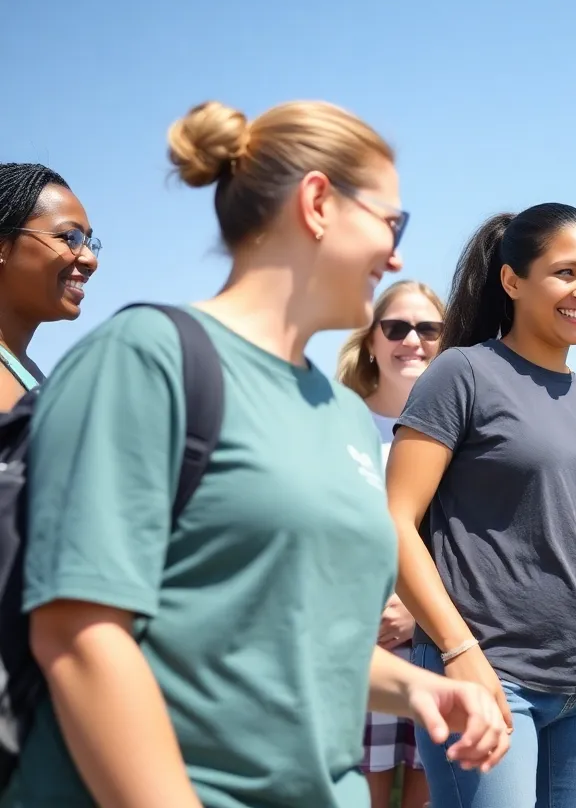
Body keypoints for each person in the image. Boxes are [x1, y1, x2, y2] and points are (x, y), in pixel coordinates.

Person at [7, 100, 506, 808]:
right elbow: (80, 635)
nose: (396, 255)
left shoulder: (337, 412)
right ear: (318, 203)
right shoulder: (146, 359)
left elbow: (281, 642)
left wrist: (421, 687)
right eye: (392, 223)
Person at [386, 203, 576, 808]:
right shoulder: (462, 373)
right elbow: (393, 522)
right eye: (566, 273)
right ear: (512, 280)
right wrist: (459, 653)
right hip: (487, 674)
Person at [337, 278, 446, 808]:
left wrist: (417, 611)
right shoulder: (335, 418)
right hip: (355, 639)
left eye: (428, 328)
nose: (413, 340)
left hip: (436, 639)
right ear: (371, 339)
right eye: (396, 327)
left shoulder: (465, 428)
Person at [0, 163, 100, 409]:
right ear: (3, 246)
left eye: (89, 242)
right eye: (71, 238)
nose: (91, 260)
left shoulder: (35, 382)